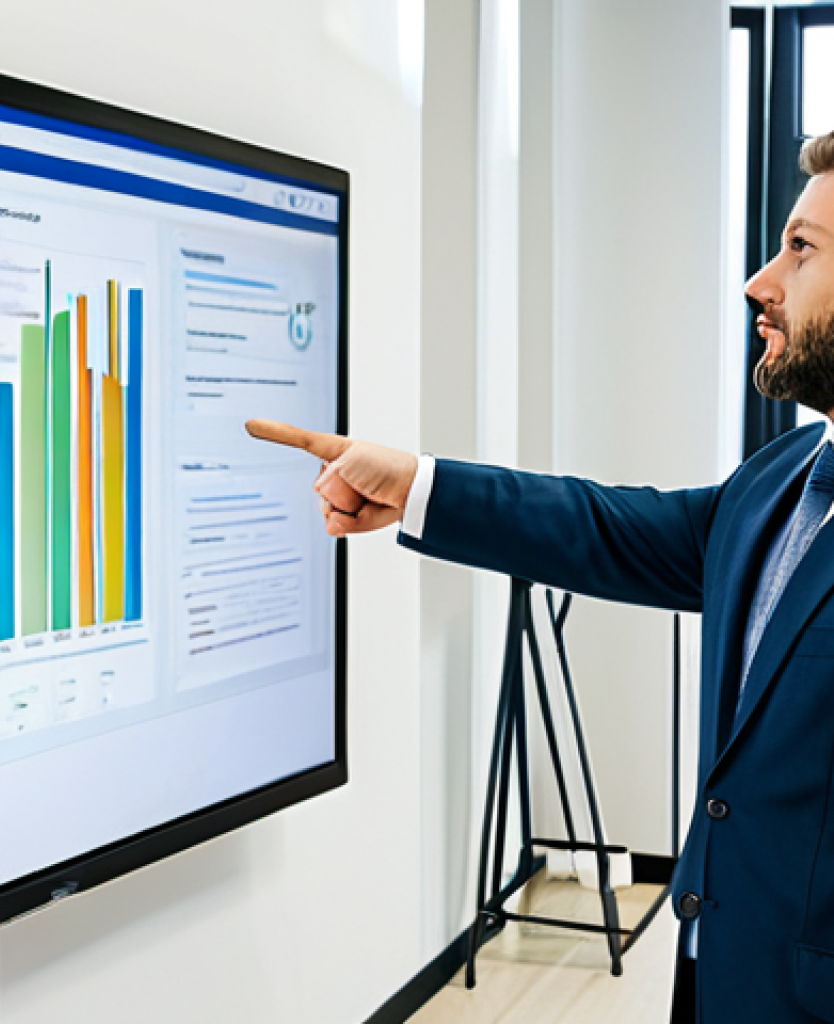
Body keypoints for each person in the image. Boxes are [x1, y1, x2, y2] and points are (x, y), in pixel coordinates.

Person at [247, 130, 834, 1024]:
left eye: (801, 249)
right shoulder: (784, 476)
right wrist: (413, 483)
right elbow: (607, 525)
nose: (762, 282)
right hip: (723, 979)